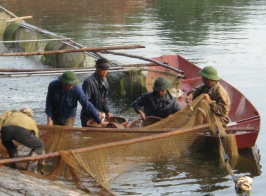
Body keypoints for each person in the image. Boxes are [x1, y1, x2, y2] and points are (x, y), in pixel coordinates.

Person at [81, 58, 113, 127]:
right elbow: (85, 103)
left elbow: (104, 98)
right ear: (96, 67)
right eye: (102, 70)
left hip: (101, 115)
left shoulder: (105, 79)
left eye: (106, 70)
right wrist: (96, 112)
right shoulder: (88, 82)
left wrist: (108, 111)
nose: (104, 72)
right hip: (88, 117)